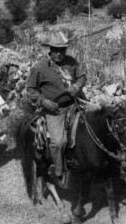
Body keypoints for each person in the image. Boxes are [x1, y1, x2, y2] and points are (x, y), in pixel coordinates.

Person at [24, 32, 86, 185]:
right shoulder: (39, 67)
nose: (59, 53)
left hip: (75, 102)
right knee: (59, 142)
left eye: (62, 50)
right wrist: (44, 102)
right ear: (50, 50)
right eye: (55, 50)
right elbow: (31, 90)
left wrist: (77, 86)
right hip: (55, 110)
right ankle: (60, 171)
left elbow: (82, 77)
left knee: (96, 120)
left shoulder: (72, 62)